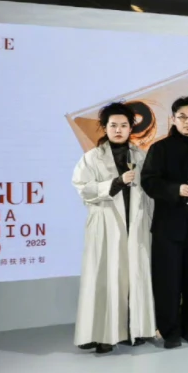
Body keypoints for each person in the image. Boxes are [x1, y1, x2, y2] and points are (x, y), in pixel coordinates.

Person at [71, 102, 155, 354]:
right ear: (105, 128)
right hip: (106, 226)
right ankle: (104, 334)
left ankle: (135, 330)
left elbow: (149, 193)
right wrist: (115, 183)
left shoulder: (141, 156)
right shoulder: (91, 158)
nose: (118, 130)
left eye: (123, 125)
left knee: (134, 277)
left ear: (131, 128)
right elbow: (83, 189)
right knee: (107, 278)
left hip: (136, 224)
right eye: (113, 125)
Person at [141, 97, 188, 349]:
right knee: (167, 279)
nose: (187, 122)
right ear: (173, 119)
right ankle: (170, 330)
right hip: (168, 225)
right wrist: (175, 190)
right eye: (182, 117)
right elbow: (149, 182)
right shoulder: (159, 149)